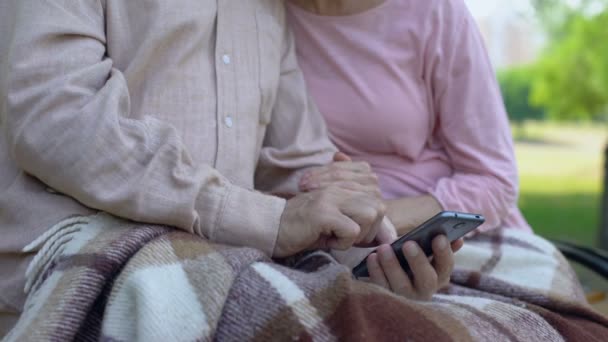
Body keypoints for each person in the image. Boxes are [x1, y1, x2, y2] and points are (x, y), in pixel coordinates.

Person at [0, 0, 457, 336]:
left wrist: (370, 250)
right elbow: (57, 121)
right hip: (76, 253)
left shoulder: (269, 9)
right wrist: (265, 218)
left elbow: (300, 166)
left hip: (224, 262)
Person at [286, 0, 532, 292]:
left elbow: (495, 181)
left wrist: (373, 222)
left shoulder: (436, 11)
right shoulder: (251, 16)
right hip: (319, 246)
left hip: (459, 238)